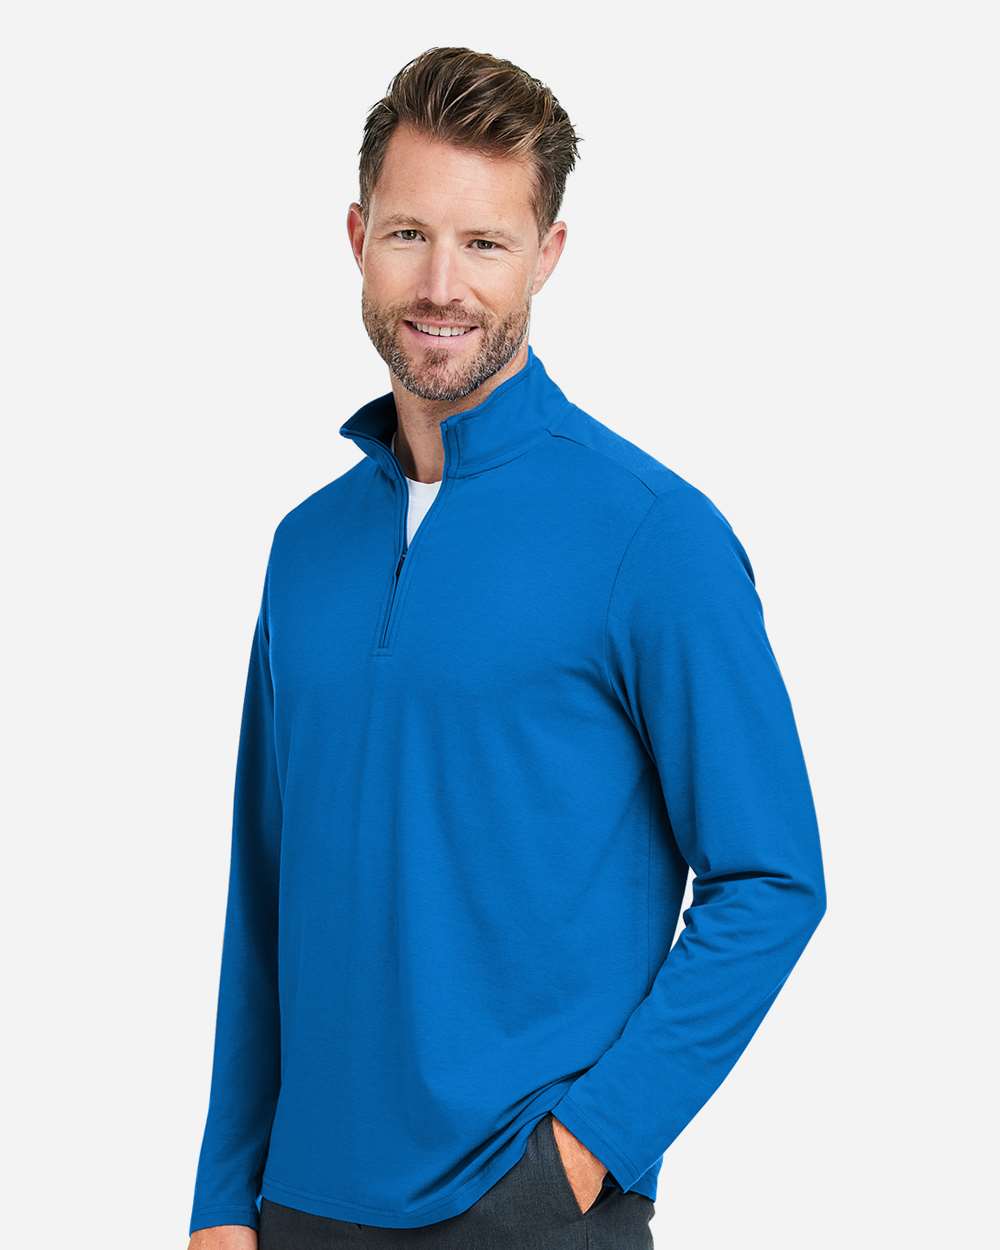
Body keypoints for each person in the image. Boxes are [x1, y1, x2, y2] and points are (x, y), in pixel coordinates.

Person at [187, 45, 827, 1250]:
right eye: (408, 234)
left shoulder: (652, 536)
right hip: (298, 1206)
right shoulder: (304, 549)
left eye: (484, 242)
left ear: (547, 254)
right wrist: (223, 1193)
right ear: (356, 236)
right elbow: (262, 886)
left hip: (525, 1208)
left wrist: (582, 1154)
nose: (441, 283)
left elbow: (771, 877)